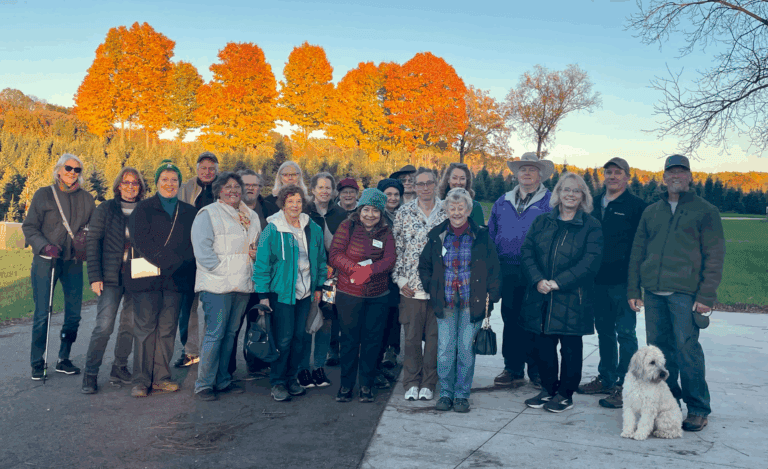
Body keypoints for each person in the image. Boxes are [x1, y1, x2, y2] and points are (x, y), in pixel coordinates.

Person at [628, 154, 724, 432]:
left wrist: (707, 295)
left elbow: (715, 255)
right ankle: (667, 404)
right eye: (671, 172)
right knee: (660, 354)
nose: (676, 177)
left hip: (685, 293)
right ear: (664, 177)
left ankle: (698, 408)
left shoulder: (705, 211)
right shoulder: (651, 211)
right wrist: (634, 289)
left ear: (690, 177)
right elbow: (637, 252)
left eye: (682, 172)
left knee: (687, 351)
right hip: (654, 293)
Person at [521, 172, 603, 413]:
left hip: (572, 298)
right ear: (557, 194)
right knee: (543, 346)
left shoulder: (591, 226)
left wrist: (558, 282)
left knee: (570, 348)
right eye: (565, 189)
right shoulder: (542, 221)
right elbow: (527, 251)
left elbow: (590, 262)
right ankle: (548, 389)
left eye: (576, 191)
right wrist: (537, 280)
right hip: (542, 294)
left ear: (583, 196)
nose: (570, 194)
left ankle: (565, 394)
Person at [419, 188, 501, 413]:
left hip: (471, 303)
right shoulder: (437, 236)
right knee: (445, 350)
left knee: (465, 349)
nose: (456, 212)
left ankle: (462, 395)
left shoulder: (481, 236)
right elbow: (424, 265)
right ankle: (445, 393)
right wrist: (431, 286)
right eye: (452, 208)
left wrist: (493, 294)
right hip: (445, 303)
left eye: (461, 208)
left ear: (469, 210)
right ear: (445, 210)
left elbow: (494, 267)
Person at [576, 157, 646, 409]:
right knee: (604, 332)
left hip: (624, 282)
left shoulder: (637, 206)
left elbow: (642, 247)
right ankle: (606, 378)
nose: (613, 176)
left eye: (618, 172)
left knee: (626, 333)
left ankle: (626, 385)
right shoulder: (592, 204)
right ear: (603, 176)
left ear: (627, 177)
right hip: (597, 281)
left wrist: (637, 285)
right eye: (609, 172)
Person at [127, 160, 196, 397]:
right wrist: (165, 260)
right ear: (156, 183)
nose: (169, 184)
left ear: (179, 183)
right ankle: (141, 380)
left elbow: (192, 245)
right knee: (145, 328)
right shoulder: (143, 208)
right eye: (165, 179)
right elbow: (140, 240)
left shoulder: (188, 212)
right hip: (147, 278)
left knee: (167, 329)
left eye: (174, 180)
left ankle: (161, 377)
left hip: (176, 280)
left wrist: (176, 263)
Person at [23, 153, 95, 379]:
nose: (72, 173)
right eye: (68, 168)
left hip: (73, 262)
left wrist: (86, 240)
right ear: (58, 170)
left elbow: (93, 228)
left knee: (74, 315)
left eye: (77, 170)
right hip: (47, 261)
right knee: (43, 313)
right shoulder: (44, 195)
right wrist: (44, 246)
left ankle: (64, 358)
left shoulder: (87, 199)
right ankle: (38, 361)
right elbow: (29, 227)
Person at [252, 185, 327, 402]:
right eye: (290, 201)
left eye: (298, 201)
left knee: (300, 338)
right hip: (281, 294)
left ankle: (292, 378)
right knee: (283, 340)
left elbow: (321, 260)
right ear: (283, 203)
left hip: (305, 294)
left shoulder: (312, 227)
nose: (295, 205)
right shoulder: (273, 229)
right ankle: (278, 382)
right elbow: (262, 264)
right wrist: (263, 294)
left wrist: (319, 287)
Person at [192, 172, 262, 401]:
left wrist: (255, 255)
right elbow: (202, 250)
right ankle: (204, 384)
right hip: (217, 285)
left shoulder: (250, 216)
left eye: (236, 187)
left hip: (242, 284)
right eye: (227, 186)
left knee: (231, 334)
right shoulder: (209, 214)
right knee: (215, 333)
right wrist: (221, 270)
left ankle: (222, 379)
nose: (233, 190)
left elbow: (257, 246)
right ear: (219, 190)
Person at [488, 152, 554, 389]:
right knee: (511, 318)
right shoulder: (502, 201)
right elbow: (492, 233)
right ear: (516, 173)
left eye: (532, 169)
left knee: (535, 320)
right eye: (523, 169)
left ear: (540, 174)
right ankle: (513, 369)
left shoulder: (550, 201)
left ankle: (536, 370)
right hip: (507, 268)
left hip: (536, 270)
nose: (526, 173)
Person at [81, 167, 147, 394]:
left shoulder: (145, 210)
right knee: (104, 326)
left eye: (135, 183)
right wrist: (94, 276)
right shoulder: (106, 209)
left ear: (140, 187)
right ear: (118, 185)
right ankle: (90, 373)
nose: (131, 187)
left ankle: (119, 367)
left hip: (136, 276)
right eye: (126, 183)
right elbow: (93, 242)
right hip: (110, 276)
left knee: (129, 325)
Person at [329, 188, 397, 402]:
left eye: (375, 211)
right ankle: (346, 386)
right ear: (359, 209)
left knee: (372, 341)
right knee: (349, 341)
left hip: (378, 296)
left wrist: (369, 270)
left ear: (381, 213)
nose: (370, 214)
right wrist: (354, 270)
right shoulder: (347, 226)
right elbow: (335, 254)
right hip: (349, 293)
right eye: (366, 209)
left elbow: (390, 259)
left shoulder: (386, 231)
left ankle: (366, 385)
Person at [392, 167, 448, 401]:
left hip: (439, 288)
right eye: (420, 184)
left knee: (435, 340)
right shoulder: (404, 213)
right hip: (411, 287)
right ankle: (411, 382)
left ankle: (429, 382)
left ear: (436, 185)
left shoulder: (447, 211)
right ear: (413, 187)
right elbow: (396, 250)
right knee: (412, 338)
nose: (425, 188)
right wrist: (400, 279)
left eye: (429, 183)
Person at [296, 172, 347, 388]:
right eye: (321, 187)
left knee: (326, 321)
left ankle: (318, 368)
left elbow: (346, 245)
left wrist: (335, 267)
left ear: (333, 191)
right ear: (313, 189)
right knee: (307, 323)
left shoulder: (341, 214)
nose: (324, 191)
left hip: (333, 278)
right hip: (308, 277)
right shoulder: (303, 213)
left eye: (328, 188)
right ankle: (302, 369)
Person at [227, 169, 277, 379]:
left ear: (260, 187)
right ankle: (227, 368)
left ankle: (256, 363)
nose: (250, 188)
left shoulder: (270, 209)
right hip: (236, 276)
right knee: (233, 326)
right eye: (245, 184)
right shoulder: (229, 209)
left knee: (257, 322)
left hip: (261, 277)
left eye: (254, 185)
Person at [174, 151, 219, 369]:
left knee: (214, 306)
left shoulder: (223, 188)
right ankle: (190, 351)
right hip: (189, 254)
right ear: (197, 169)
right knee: (188, 307)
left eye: (211, 168)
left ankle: (213, 351)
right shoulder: (186, 189)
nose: (207, 172)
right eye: (204, 168)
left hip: (216, 255)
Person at [375, 178, 405, 385]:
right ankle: (376, 355)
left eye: (396, 194)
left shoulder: (404, 215)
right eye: (388, 194)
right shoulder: (375, 215)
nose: (392, 198)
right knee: (379, 316)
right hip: (378, 272)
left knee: (395, 314)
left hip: (399, 272)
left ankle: (392, 351)